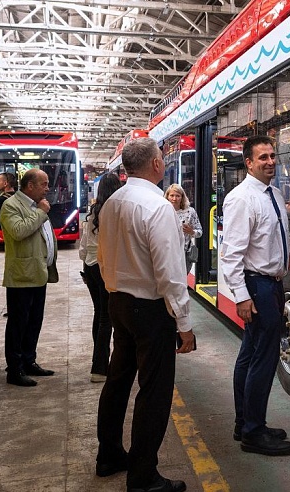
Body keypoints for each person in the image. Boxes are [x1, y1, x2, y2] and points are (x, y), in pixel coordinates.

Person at [95, 137, 195, 492]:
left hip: (118, 304)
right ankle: (143, 476)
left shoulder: (111, 204)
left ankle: (108, 455)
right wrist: (184, 324)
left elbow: (101, 256)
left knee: (118, 381)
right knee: (154, 391)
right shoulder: (157, 207)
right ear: (156, 164)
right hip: (149, 311)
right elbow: (170, 274)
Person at [219, 135, 290, 456]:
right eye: (262, 157)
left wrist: (287, 255)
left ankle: (246, 422)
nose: (269, 162)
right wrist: (241, 296)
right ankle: (253, 431)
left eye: (272, 156)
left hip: (273, 283)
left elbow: (284, 236)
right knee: (263, 359)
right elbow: (231, 253)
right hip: (257, 286)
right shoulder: (241, 199)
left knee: (251, 354)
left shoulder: (275, 195)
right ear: (248, 163)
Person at [0, 168, 59, 387]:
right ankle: (14, 369)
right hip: (22, 276)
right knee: (18, 324)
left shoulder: (36, 206)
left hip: (38, 273)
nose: (47, 188)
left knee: (34, 321)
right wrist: (41, 212)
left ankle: (28, 360)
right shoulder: (11, 206)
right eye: (44, 184)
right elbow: (18, 231)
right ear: (30, 186)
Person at [78, 173, 122, 383]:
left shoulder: (94, 211)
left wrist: (87, 264)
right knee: (107, 318)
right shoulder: (116, 211)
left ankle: (98, 361)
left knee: (99, 314)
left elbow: (83, 246)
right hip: (105, 268)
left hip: (90, 267)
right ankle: (100, 367)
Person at [164, 183, 202, 273]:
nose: (174, 199)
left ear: (182, 197)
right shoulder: (163, 210)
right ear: (167, 197)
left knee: (182, 281)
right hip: (167, 251)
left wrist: (191, 232)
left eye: (177, 196)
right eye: (172, 195)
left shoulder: (190, 212)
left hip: (185, 253)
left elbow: (200, 232)